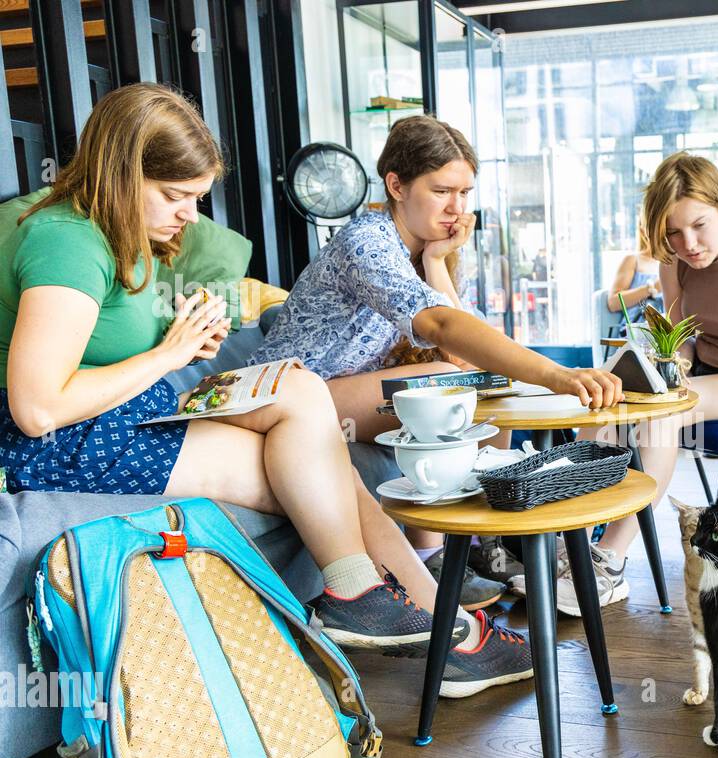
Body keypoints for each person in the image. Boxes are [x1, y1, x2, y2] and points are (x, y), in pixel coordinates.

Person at [0, 84, 534, 698]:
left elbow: (107, 343)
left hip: (130, 410)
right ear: (119, 173)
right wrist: (166, 355)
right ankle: (438, 626)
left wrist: (188, 335)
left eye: (194, 198)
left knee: (302, 394)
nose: (187, 215)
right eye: (174, 196)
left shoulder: (115, 231)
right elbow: (38, 408)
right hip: (69, 438)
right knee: (326, 467)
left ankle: (374, 598)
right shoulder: (66, 243)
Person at [252, 114, 624, 604]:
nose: (457, 207)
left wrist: (434, 260)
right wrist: (555, 374)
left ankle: (483, 543)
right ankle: (437, 556)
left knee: (478, 383)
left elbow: (457, 348)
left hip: (334, 397)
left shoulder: (414, 249)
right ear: (396, 185)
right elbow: (446, 331)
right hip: (284, 397)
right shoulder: (367, 243)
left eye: (465, 193)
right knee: (456, 384)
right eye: (443, 190)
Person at [515, 151, 718, 616]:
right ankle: (561, 543)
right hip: (704, 374)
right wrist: (672, 364)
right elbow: (684, 338)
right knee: (605, 399)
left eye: (699, 226)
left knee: (664, 416)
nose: (688, 244)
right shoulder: (673, 260)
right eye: (673, 233)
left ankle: (610, 561)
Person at [604, 226, 663, 334]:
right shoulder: (633, 260)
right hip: (637, 335)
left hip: (668, 336)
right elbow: (613, 303)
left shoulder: (677, 263)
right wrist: (653, 288)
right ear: (643, 229)